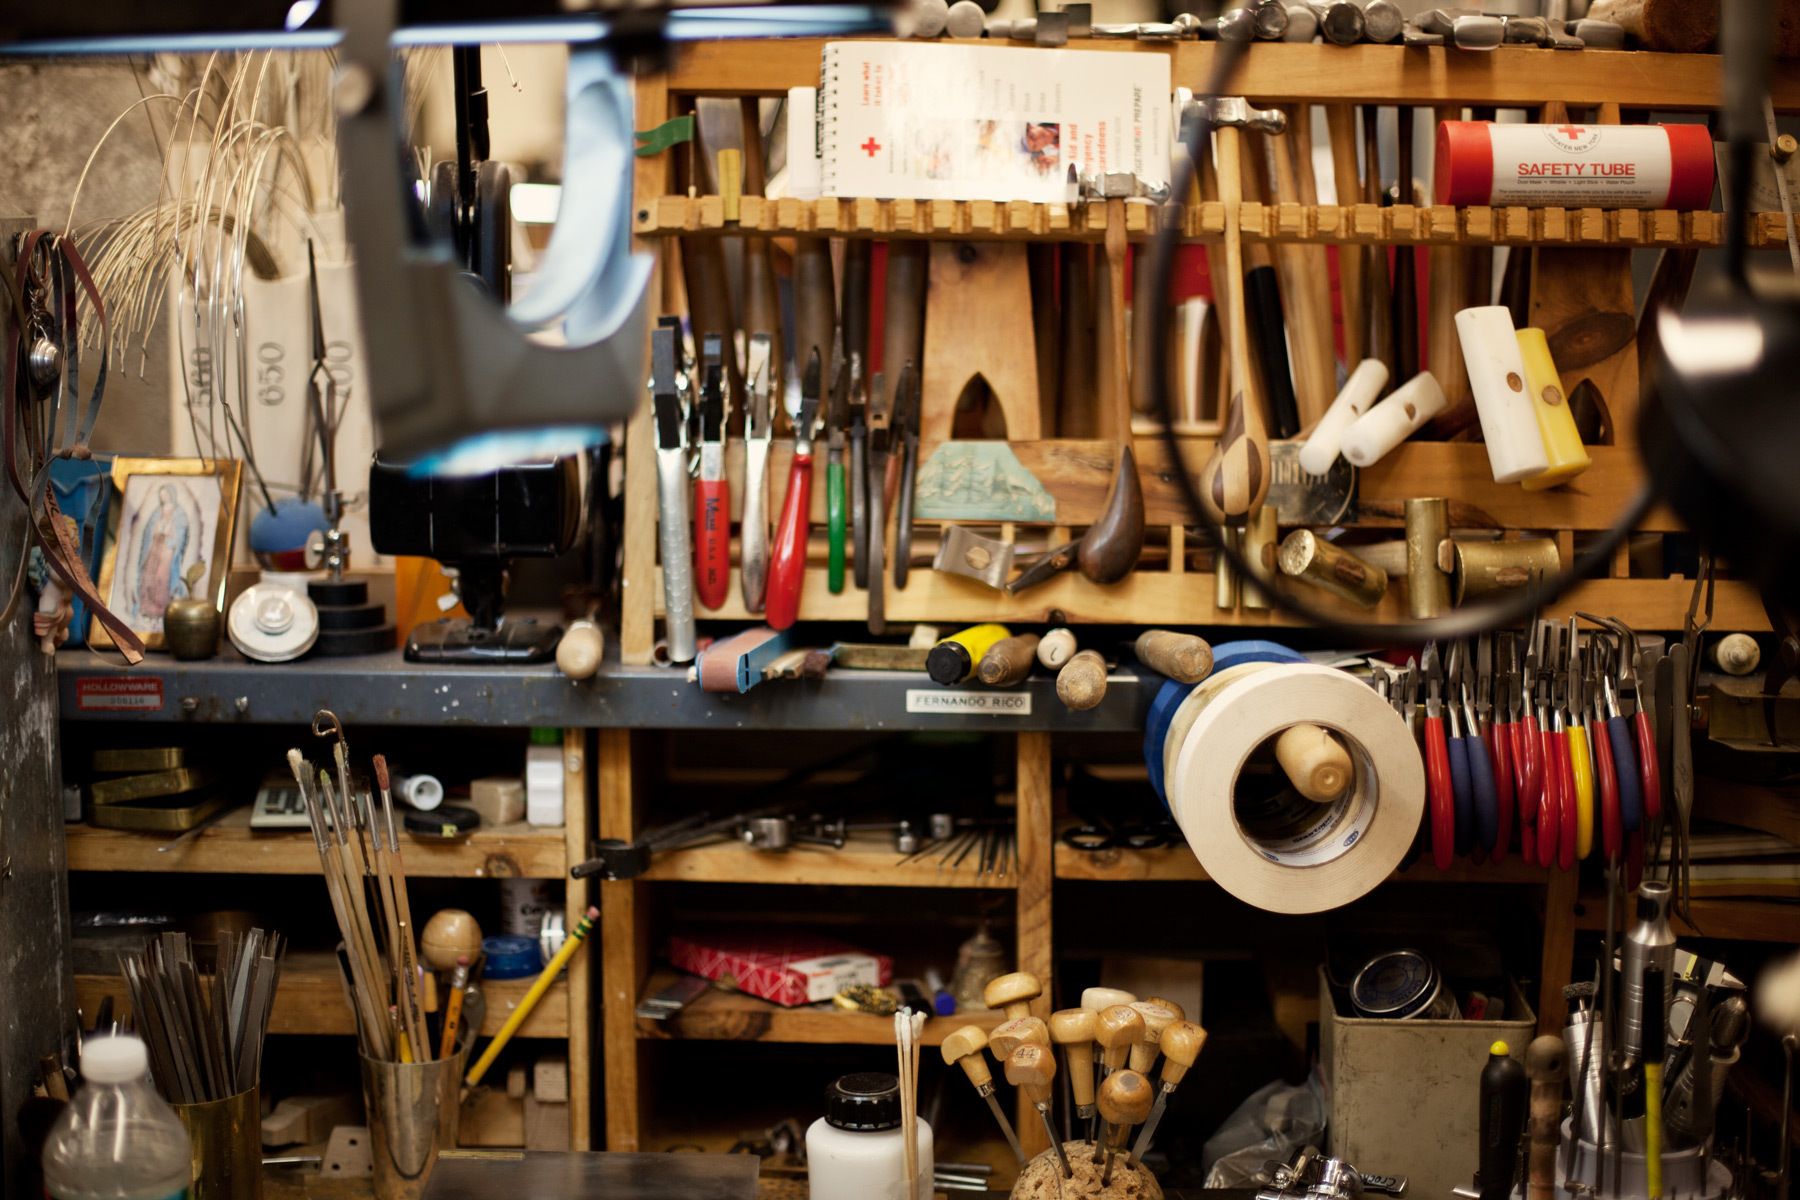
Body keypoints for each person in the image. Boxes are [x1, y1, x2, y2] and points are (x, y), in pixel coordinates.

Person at [133, 484, 191, 623]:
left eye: (165, 494)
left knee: (162, 576)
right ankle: (147, 608)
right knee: (150, 575)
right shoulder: (157, 512)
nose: (163, 497)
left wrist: (170, 534)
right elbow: (149, 530)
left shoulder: (179, 513)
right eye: (161, 495)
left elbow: (181, 533)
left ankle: (161, 609)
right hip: (155, 547)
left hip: (168, 549)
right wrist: (157, 530)